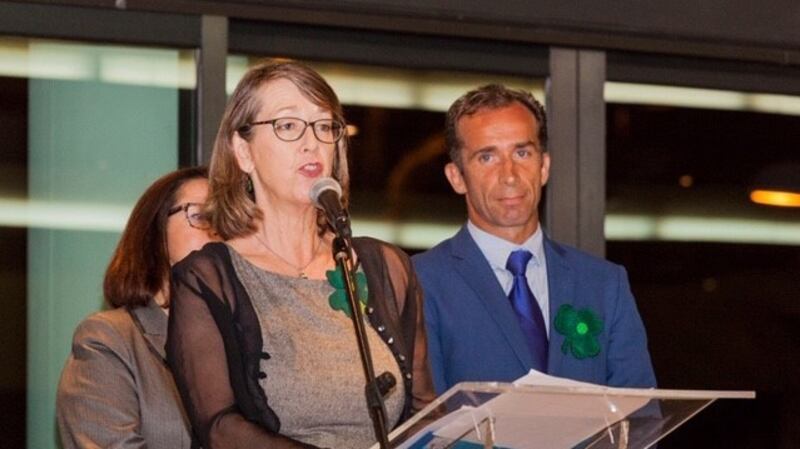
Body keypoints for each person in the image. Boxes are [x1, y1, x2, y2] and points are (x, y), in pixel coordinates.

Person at [166, 60, 435, 449]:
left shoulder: (386, 268)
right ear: (243, 152)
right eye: (288, 126)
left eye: (324, 126)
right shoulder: (209, 279)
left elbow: (423, 413)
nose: (312, 143)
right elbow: (220, 428)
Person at [412, 84, 656, 395]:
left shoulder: (605, 284)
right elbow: (423, 422)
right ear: (456, 177)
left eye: (522, 152)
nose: (510, 175)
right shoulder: (419, 282)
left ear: (544, 167)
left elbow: (641, 420)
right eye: (487, 157)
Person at [56, 166, 219, 449]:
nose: (219, 232)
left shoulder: (246, 343)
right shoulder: (107, 339)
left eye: (230, 221)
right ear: (154, 233)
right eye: (202, 216)